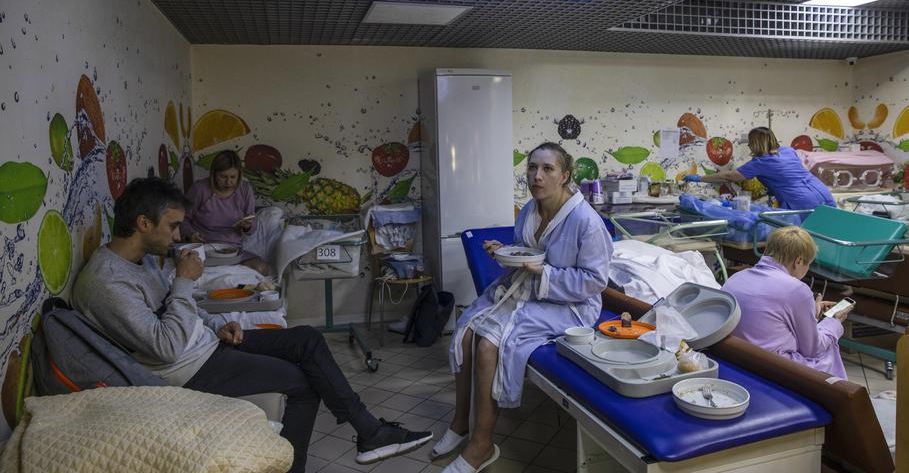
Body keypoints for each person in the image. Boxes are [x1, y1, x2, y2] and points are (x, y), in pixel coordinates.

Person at [71, 178, 432, 472]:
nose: (178, 236)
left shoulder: (143, 261)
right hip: (184, 367)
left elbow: (177, 310)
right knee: (302, 382)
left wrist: (216, 325)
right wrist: (183, 282)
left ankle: (370, 432)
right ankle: (305, 463)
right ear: (143, 224)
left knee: (306, 339)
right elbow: (164, 346)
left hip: (203, 345)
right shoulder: (106, 283)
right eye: (173, 226)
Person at [434, 142, 612, 473]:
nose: (537, 176)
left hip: (569, 304)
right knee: (465, 334)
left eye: (547, 169)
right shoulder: (531, 209)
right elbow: (525, 251)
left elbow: (595, 281)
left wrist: (542, 272)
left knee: (489, 345)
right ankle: (460, 424)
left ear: (565, 176)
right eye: (532, 168)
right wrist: (505, 251)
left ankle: (482, 445)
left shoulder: (586, 221)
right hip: (527, 290)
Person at [723, 226, 851, 379]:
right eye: (808, 264)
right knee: (829, 348)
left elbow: (768, 319)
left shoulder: (736, 278)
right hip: (773, 368)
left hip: (736, 357)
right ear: (798, 261)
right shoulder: (797, 290)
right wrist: (833, 322)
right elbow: (813, 349)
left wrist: (811, 312)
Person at [683, 127, 835, 210]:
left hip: (801, 201)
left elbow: (729, 176)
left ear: (755, 144)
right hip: (823, 193)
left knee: (796, 243)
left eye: (750, 142)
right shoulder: (788, 150)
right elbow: (792, 174)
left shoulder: (761, 162)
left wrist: (699, 178)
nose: (748, 145)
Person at [181, 149, 270, 275]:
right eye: (223, 177)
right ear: (214, 174)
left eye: (233, 177)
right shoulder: (200, 189)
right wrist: (191, 234)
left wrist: (248, 225)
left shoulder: (245, 189)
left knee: (261, 268)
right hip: (205, 249)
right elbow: (182, 218)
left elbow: (252, 225)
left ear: (239, 174)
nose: (229, 182)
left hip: (233, 251)